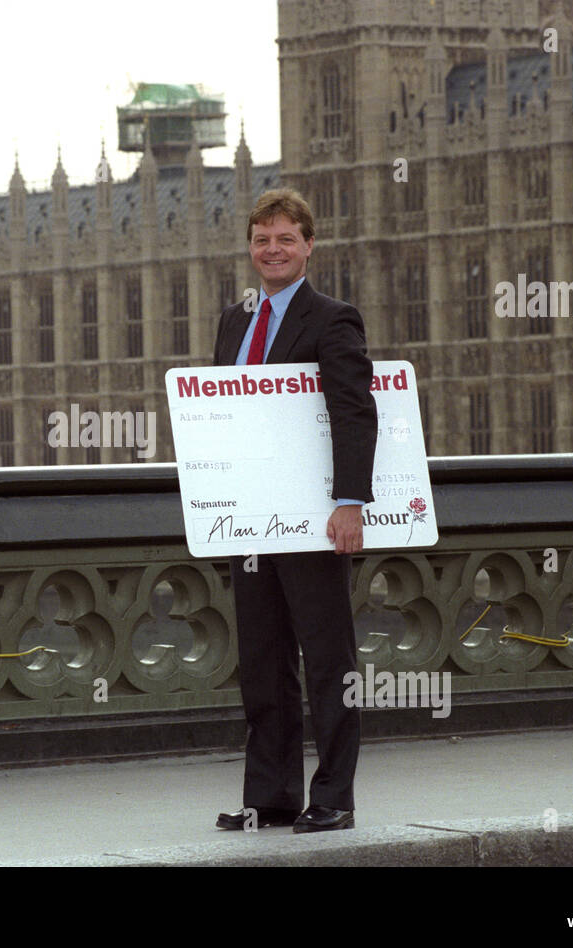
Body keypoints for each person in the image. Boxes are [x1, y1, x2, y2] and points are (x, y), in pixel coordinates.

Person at [211, 187, 378, 833]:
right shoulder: (235, 320)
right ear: (250, 247)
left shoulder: (333, 317)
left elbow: (353, 410)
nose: (272, 250)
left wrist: (350, 502)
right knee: (263, 660)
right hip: (252, 516)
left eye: (285, 239)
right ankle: (272, 796)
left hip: (313, 515)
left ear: (309, 245)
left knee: (328, 660)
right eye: (262, 239)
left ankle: (334, 797)